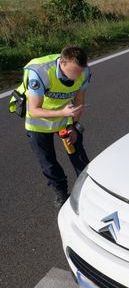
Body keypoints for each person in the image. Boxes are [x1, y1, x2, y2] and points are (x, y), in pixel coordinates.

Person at [10, 47, 91, 208]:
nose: (76, 78)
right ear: (62, 63)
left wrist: (73, 126)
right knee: (48, 162)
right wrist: (62, 112)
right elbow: (34, 109)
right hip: (38, 123)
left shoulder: (84, 72)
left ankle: (89, 190)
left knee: (79, 156)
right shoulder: (39, 72)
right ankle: (61, 193)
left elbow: (79, 102)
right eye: (72, 73)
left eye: (79, 73)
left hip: (65, 118)